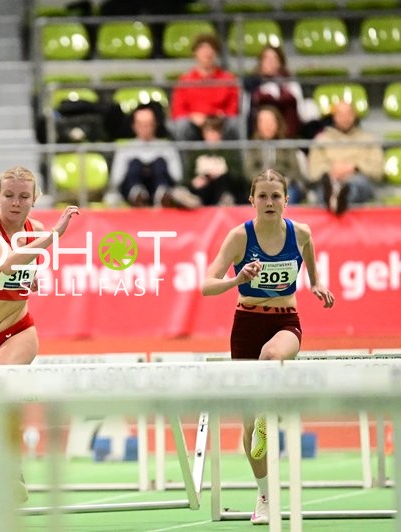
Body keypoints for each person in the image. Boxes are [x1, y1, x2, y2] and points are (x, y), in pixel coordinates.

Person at [201, 168, 335, 525]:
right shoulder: (239, 237)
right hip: (246, 324)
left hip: (285, 322)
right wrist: (238, 279)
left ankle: (268, 407)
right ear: (252, 200)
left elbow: (309, 249)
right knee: (249, 429)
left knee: (272, 355)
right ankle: (264, 496)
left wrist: (316, 282)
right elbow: (206, 285)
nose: (270, 202)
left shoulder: (300, 233)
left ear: (286, 200)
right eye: (263, 196)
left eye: (276, 196)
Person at [0, 166, 79, 502]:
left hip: (18, 329)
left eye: (24, 196)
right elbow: (8, 264)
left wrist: (32, 278)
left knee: (1, 386)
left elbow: (22, 272)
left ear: (34, 199)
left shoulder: (34, 230)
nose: (15, 202)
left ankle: (11, 461)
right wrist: (55, 235)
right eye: (9, 196)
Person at [109, 104, 200, 208]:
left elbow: (177, 176)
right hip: (131, 192)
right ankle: (138, 195)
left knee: (159, 163)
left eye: (148, 124)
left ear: (155, 124)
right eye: (141, 124)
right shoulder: (125, 149)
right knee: (135, 164)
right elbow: (116, 180)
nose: (145, 128)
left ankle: (162, 195)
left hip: (161, 189)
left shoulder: (167, 147)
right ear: (134, 126)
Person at [307, 101, 384, 215]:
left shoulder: (369, 139)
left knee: (357, 185)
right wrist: (332, 170)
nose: (345, 118)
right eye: (341, 114)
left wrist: (355, 167)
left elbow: (378, 170)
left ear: (355, 116)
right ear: (334, 117)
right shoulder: (321, 140)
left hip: (358, 180)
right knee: (323, 188)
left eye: (349, 114)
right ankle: (335, 196)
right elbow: (313, 172)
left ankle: (340, 197)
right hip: (330, 180)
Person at [170, 34, 240, 141]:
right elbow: (178, 111)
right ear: (195, 53)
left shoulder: (228, 79)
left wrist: (217, 119)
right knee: (181, 125)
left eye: (211, 48)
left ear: (216, 53)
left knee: (234, 124)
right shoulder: (184, 80)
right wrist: (192, 116)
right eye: (202, 48)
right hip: (194, 124)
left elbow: (233, 108)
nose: (207, 52)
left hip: (220, 123)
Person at [244, 105, 306, 204]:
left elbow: (295, 170)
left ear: (278, 123)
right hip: (260, 186)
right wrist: (264, 180)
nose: (267, 125)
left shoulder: (287, 146)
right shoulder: (253, 147)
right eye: (263, 122)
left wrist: (281, 180)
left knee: (287, 197)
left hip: (285, 186)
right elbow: (248, 171)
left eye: (270, 122)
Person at [243, 45, 305, 139]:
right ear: (260, 62)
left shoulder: (290, 83)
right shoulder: (251, 84)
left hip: (287, 129)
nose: (270, 62)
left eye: (274, 58)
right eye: (266, 58)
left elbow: (300, 111)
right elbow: (246, 112)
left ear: (280, 62)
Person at [185, 116, 244, 205]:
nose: (212, 136)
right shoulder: (196, 152)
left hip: (222, 189)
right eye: (209, 132)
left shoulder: (229, 152)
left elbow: (238, 177)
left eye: (215, 132)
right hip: (202, 191)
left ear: (220, 133)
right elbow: (186, 177)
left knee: (223, 181)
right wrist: (194, 181)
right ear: (203, 133)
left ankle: (224, 201)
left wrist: (219, 175)